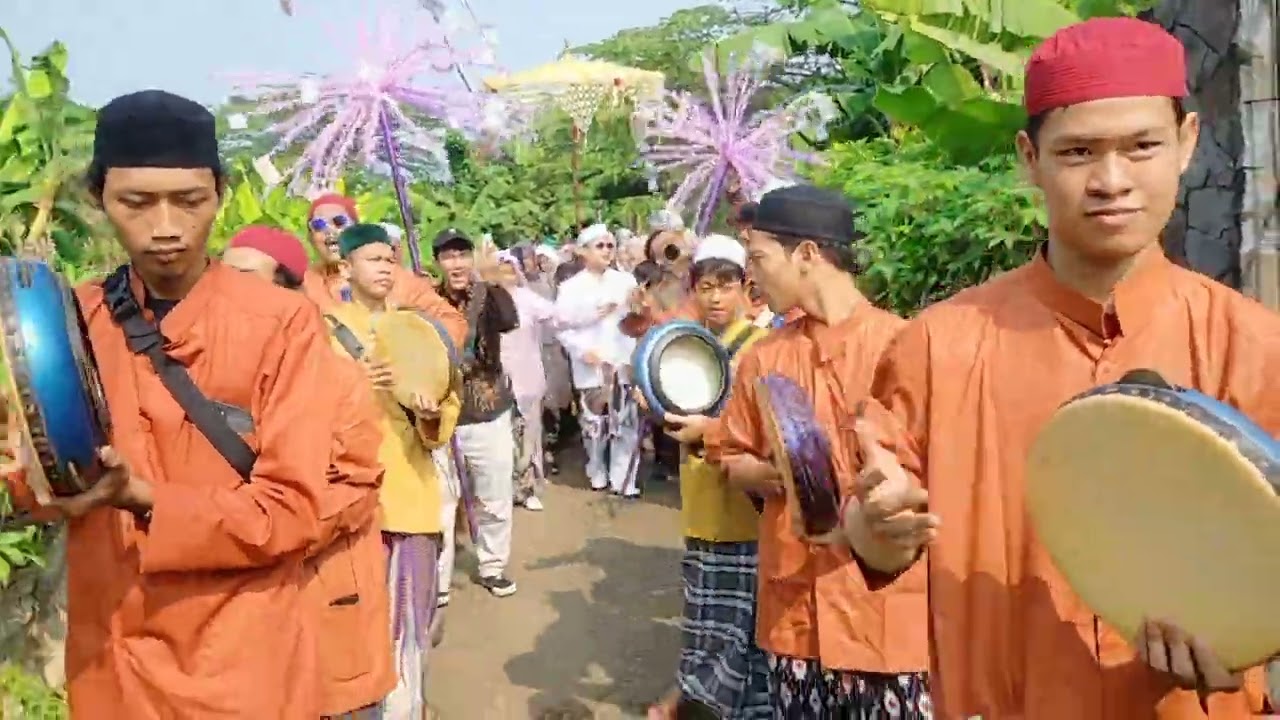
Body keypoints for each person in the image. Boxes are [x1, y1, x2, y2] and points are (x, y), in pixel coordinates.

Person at [847, 17, 1280, 719]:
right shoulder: (937, 345)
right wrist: (879, 526)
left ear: (1187, 143)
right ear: (1029, 157)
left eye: (1142, 146)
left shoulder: (1255, 347)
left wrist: (1244, 641)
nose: (1112, 180)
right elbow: (873, 527)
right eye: (1078, 151)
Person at [2, 90, 337, 718]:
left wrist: (143, 498)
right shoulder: (69, 321)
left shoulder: (282, 322)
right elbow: (41, 484)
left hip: (239, 660)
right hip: (112, 661)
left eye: (189, 201)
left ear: (220, 193)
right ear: (99, 197)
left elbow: (292, 511)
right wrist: (25, 477)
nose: (164, 227)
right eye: (136, 202)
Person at [714, 184, 929, 717]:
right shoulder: (764, 358)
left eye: (760, 258)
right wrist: (781, 472)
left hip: (886, 615)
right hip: (795, 615)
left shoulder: (905, 346)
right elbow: (731, 458)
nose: (751, 277)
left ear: (807, 254)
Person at [223, 226, 393, 719]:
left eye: (241, 279)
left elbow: (356, 487)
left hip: (326, 601)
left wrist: (252, 535)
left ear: (288, 293)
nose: (223, 292)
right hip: (243, 624)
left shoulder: (337, 379)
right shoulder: (206, 375)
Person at [325, 223, 462, 717]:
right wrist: (352, 382)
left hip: (410, 494)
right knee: (357, 627)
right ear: (345, 269)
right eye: (372, 259)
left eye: (390, 259)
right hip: (349, 502)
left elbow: (448, 402)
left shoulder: (416, 328)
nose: (384, 268)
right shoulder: (323, 330)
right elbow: (303, 408)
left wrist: (432, 415)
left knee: (409, 624)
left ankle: (408, 705)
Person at [649, 235, 772, 719]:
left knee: (744, 624)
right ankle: (696, 699)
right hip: (702, 502)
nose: (716, 297)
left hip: (749, 507)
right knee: (704, 618)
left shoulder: (763, 347)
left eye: (725, 286)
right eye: (706, 286)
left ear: (745, 287)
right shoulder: (686, 346)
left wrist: (711, 431)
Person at [434, 228, 522, 598]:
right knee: (440, 503)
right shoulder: (427, 298)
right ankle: (438, 579)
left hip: (487, 411)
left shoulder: (490, 296)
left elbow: (509, 319)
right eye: (448, 256)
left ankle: (492, 565)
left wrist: (490, 281)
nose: (456, 263)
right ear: (438, 261)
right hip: (440, 415)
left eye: (461, 255)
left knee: (494, 494)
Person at [300, 193, 466, 347]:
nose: (329, 230)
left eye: (339, 221)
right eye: (318, 225)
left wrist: (411, 346)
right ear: (310, 237)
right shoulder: (304, 285)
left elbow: (453, 324)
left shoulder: (395, 277)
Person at [555, 224, 643, 497]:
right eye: (600, 246)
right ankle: (597, 468)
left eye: (609, 245)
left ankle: (623, 478)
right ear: (583, 251)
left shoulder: (626, 282)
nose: (606, 251)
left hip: (621, 362)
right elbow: (561, 328)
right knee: (596, 425)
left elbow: (635, 321)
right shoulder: (570, 287)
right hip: (590, 365)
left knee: (626, 422)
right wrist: (582, 351)